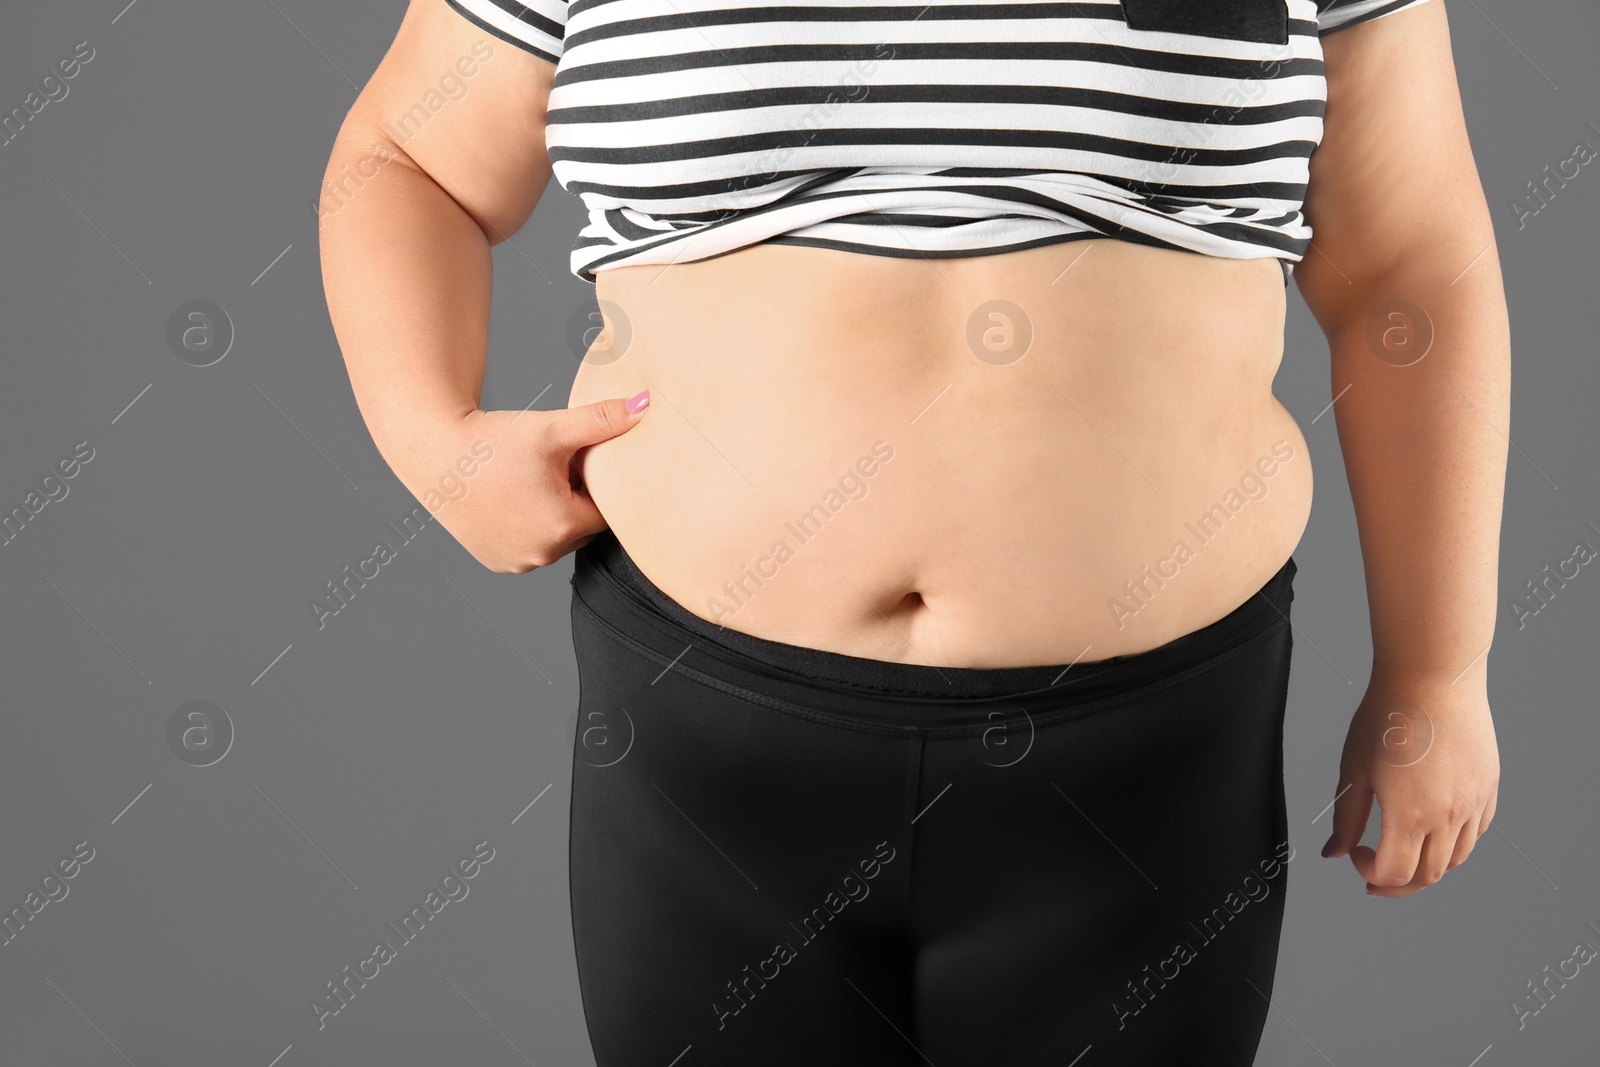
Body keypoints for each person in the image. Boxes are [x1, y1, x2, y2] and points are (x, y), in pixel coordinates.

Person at [318, 0, 1505, 1061]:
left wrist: (1436, 669)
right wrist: (432, 437)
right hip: (709, 738)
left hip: (1150, 746)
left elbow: (1407, 263)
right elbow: (408, 155)